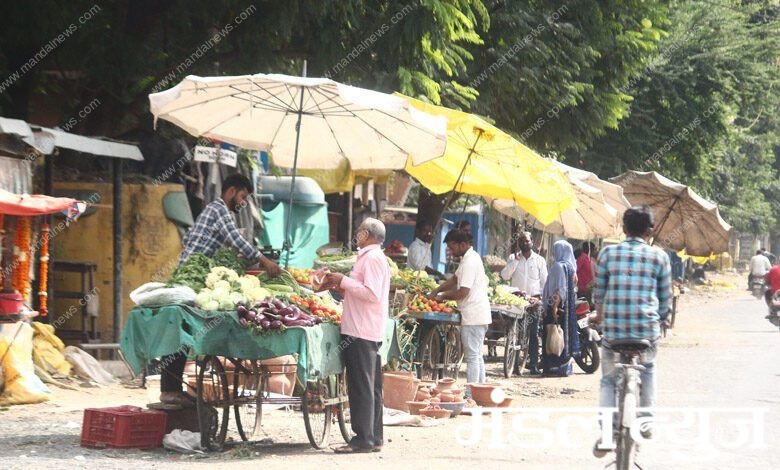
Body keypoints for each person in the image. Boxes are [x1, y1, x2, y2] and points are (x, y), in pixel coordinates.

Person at [159, 174, 282, 406]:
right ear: (231, 191)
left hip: (194, 276)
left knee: (183, 331)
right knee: (181, 329)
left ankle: (171, 388)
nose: (243, 203)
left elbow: (230, 246)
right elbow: (235, 239)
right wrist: (265, 262)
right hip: (190, 278)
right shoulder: (218, 209)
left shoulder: (217, 212)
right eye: (243, 197)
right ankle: (169, 389)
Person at [592, 206, 671, 455]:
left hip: (614, 331)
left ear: (624, 229)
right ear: (650, 230)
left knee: (608, 380)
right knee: (648, 370)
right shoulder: (659, 257)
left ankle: (606, 434)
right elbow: (665, 300)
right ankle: (646, 423)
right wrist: (663, 319)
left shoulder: (607, 254)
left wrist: (600, 318)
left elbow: (600, 295)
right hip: (646, 331)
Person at [322, 218, 390, 454]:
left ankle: (363, 439)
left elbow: (371, 294)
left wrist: (344, 281)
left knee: (361, 385)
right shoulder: (371, 257)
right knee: (371, 386)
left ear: (368, 234)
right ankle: (374, 437)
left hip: (361, 329)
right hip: (365, 327)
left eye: (360, 229)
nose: (356, 232)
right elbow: (362, 289)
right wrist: (342, 286)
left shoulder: (372, 258)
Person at [431, 229, 491, 388]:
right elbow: (455, 279)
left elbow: (463, 291)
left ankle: (472, 393)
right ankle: (479, 391)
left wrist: (442, 297)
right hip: (477, 315)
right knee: (477, 356)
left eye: (452, 248)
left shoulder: (470, 261)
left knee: (472, 357)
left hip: (473, 315)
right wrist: (437, 290)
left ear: (462, 244)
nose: (450, 251)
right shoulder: (468, 258)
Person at [500, 231, 547, 374]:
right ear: (518, 243)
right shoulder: (513, 258)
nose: (524, 243)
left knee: (533, 334)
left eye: (527, 241)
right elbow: (505, 275)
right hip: (517, 301)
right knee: (515, 332)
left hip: (534, 300)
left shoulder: (539, 260)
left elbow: (544, 282)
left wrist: (541, 301)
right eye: (521, 241)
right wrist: (515, 261)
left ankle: (533, 365)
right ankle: (513, 365)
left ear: (532, 242)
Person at [540, 240, 580, 377]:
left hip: (556, 306)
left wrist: (554, 307)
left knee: (552, 334)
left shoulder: (558, 267)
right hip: (567, 309)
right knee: (562, 335)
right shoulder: (571, 268)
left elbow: (560, 290)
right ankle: (564, 366)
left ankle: (553, 367)